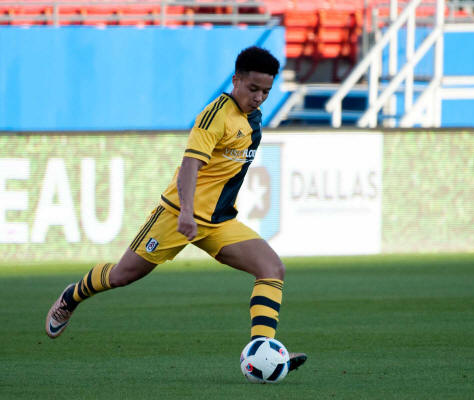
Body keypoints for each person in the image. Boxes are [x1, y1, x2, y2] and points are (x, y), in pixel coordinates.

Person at [45, 46, 307, 374]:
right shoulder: (216, 115)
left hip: (218, 221)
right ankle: (72, 296)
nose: (259, 98)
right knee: (122, 275)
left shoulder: (252, 117)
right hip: (176, 216)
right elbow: (189, 165)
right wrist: (185, 212)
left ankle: (263, 352)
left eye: (266, 92)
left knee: (272, 268)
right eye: (253, 89)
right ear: (236, 80)